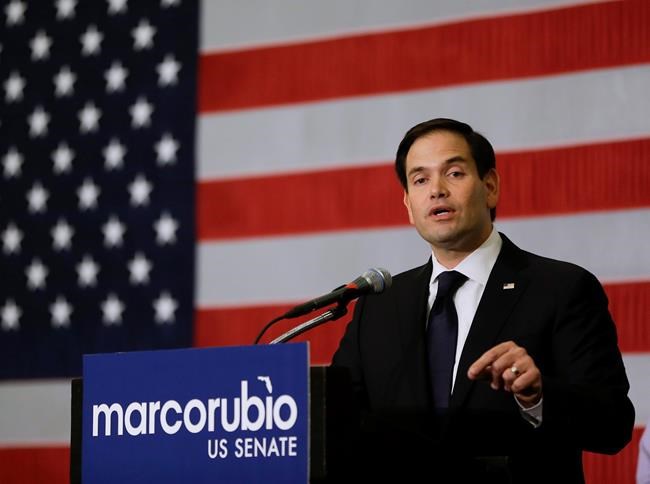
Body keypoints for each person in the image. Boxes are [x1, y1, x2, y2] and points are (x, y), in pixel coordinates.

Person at [331, 118, 635, 483]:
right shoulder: (378, 306)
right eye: (420, 179)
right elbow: (335, 421)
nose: (437, 190)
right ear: (409, 206)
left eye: (454, 173)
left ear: (490, 187)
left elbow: (613, 424)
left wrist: (536, 396)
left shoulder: (562, 289)